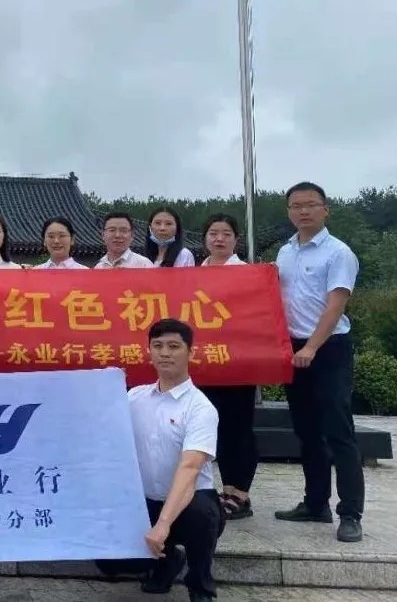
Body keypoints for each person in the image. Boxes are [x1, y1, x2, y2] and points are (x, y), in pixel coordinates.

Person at [100, 318, 224, 602]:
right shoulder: (134, 397)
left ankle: (200, 586)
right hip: (144, 503)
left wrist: (164, 524)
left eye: (173, 346)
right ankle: (167, 563)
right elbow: (105, 435)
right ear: (149, 351)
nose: (165, 353)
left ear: (190, 352)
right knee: (107, 560)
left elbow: (190, 468)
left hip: (187, 502)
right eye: (157, 346)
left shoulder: (200, 408)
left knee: (201, 515)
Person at [274, 181, 364, 543]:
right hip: (293, 349)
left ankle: (351, 513)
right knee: (306, 431)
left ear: (325, 209)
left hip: (328, 348)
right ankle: (315, 503)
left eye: (311, 204)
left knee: (338, 431)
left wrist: (312, 347)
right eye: (296, 206)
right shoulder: (285, 252)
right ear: (289, 212)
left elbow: (335, 306)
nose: (303, 211)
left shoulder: (339, 253)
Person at [197, 213, 257, 520]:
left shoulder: (248, 274)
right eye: (213, 233)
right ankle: (211, 490)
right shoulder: (192, 275)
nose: (219, 239)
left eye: (226, 234)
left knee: (237, 428)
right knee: (206, 426)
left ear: (236, 240)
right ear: (205, 239)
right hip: (203, 363)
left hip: (238, 363)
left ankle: (239, 493)